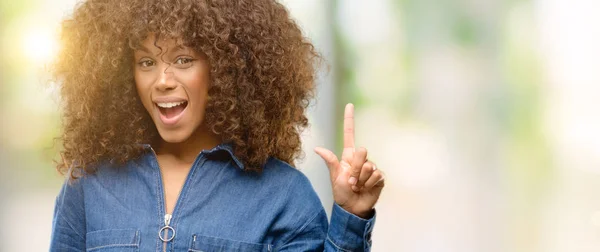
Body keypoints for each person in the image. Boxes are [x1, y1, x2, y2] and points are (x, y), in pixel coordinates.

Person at [49, 0, 385, 251]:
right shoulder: (89, 183)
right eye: (146, 62)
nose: (163, 80)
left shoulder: (283, 195)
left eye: (184, 59)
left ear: (225, 70)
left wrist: (350, 216)